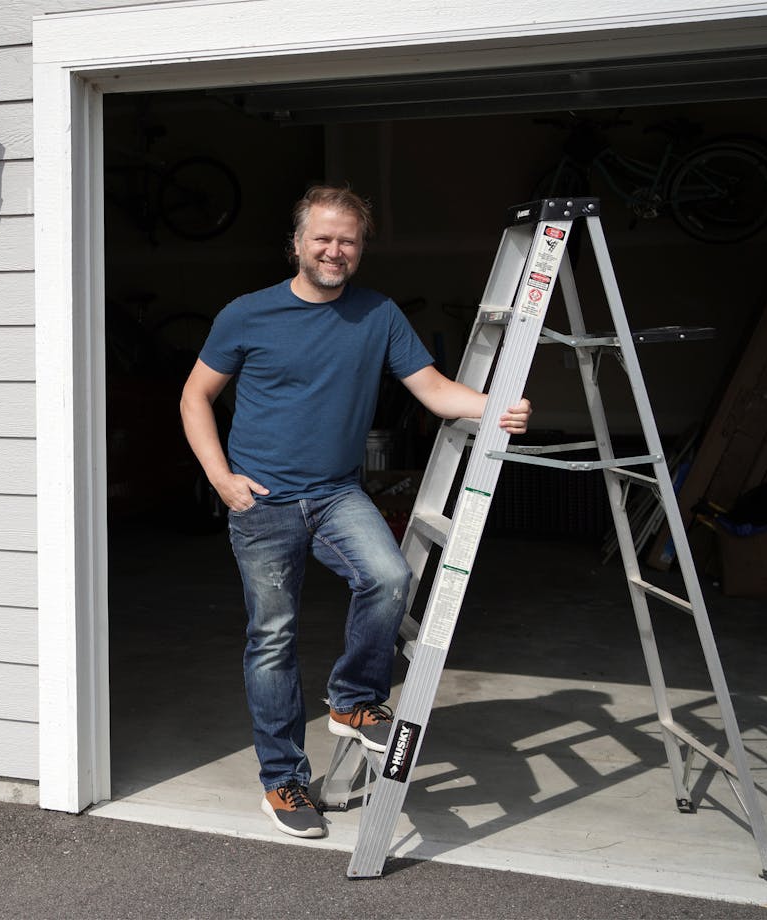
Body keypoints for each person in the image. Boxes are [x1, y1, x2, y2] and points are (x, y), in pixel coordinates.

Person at [179, 185, 531, 839]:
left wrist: (497, 405)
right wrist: (221, 478)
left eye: (348, 240)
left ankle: (354, 700)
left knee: (390, 578)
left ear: (360, 249)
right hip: (262, 505)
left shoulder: (378, 315)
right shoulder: (247, 315)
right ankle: (282, 782)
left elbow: (430, 390)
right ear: (297, 243)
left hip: (338, 493)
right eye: (323, 238)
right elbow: (195, 397)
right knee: (273, 641)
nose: (334, 250)